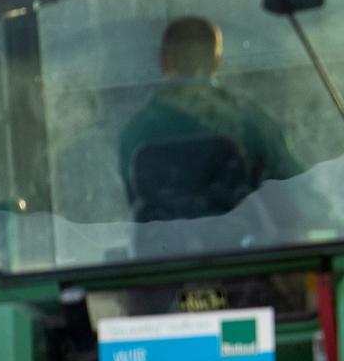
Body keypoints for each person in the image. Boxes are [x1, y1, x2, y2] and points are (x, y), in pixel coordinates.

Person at [119, 17, 300, 218]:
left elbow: (131, 197)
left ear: (163, 61)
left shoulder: (136, 131)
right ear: (216, 60)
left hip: (163, 245)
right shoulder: (249, 120)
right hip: (238, 243)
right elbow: (292, 186)